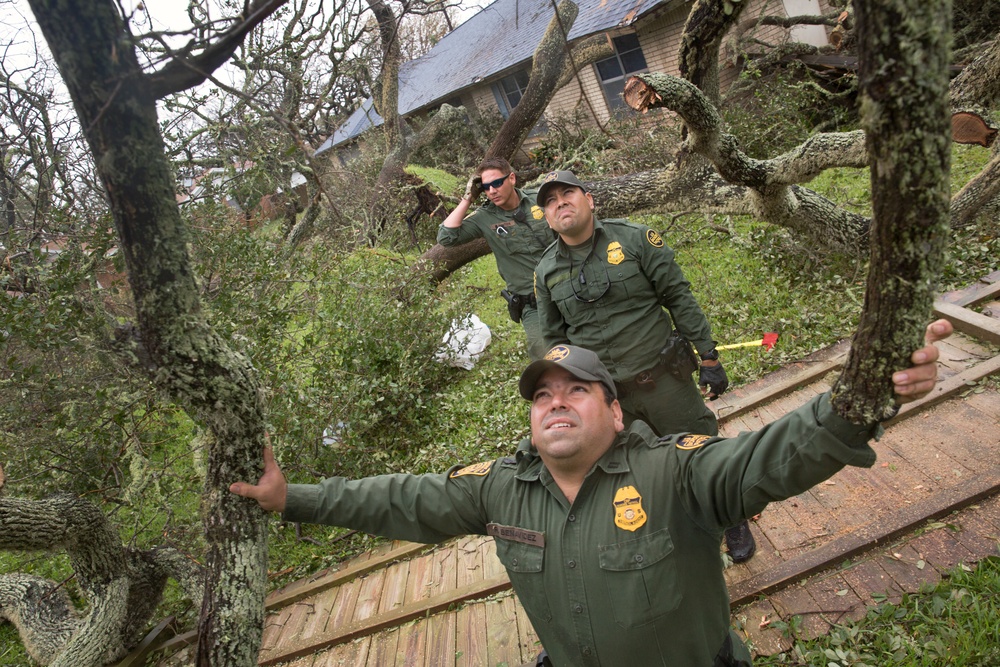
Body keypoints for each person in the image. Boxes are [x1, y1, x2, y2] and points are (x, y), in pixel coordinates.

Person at [231, 320, 952, 667]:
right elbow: (399, 499)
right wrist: (290, 495)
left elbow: (765, 460)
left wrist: (857, 402)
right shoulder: (501, 489)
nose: (556, 402)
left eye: (578, 389)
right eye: (542, 394)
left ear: (615, 412)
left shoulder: (677, 471)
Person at [531, 169, 755, 561]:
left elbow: (678, 295)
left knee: (699, 451)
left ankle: (732, 517)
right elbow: (554, 341)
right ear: (547, 218)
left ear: (589, 200)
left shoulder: (636, 239)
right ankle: (679, 529)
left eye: (568, 193)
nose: (560, 203)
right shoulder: (545, 272)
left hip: (662, 379)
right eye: (550, 201)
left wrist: (709, 356)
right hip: (608, 398)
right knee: (635, 471)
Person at [437, 157, 556, 360]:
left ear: (511, 178)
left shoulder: (540, 200)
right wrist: (468, 198)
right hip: (533, 304)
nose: (492, 190)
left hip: (565, 289)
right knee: (545, 359)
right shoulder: (484, 217)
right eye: (485, 187)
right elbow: (447, 237)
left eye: (497, 183)